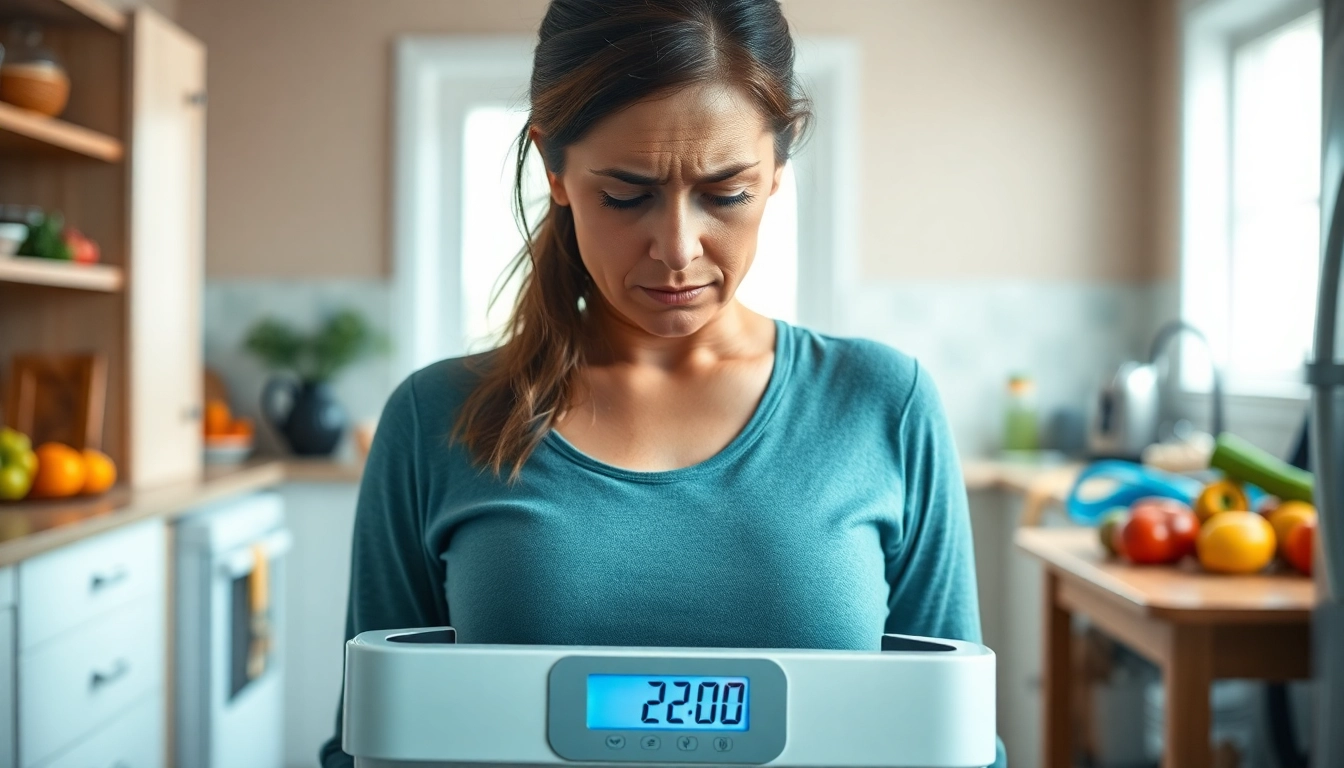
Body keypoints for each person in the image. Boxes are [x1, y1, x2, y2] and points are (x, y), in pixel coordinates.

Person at [321, 1, 1006, 766]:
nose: (677, 249)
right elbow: (373, 742)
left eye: (726, 193)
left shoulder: (884, 403)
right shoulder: (436, 416)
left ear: (779, 169)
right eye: (626, 194)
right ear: (554, 169)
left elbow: (952, 740)